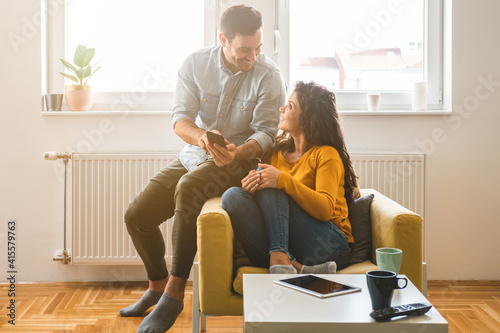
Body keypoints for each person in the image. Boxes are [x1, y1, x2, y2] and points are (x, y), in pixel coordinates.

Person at [120, 5, 286, 333]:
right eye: (244, 50)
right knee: (137, 216)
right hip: (197, 154)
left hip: (242, 162)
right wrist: (202, 140)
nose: (252, 57)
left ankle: (175, 293)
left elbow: (267, 134)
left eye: (258, 49)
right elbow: (180, 119)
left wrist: (239, 150)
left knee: (188, 188)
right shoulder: (195, 64)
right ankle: (156, 286)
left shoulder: (269, 75)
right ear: (222, 39)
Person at [221, 81, 359, 276]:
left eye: (290, 106)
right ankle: (293, 265)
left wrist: (282, 180)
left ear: (307, 118)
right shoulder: (276, 154)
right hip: (293, 245)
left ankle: (281, 257)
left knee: (273, 186)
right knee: (232, 196)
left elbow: (325, 210)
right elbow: (269, 211)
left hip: (330, 245)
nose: (282, 109)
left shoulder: (326, 154)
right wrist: (251, 187)